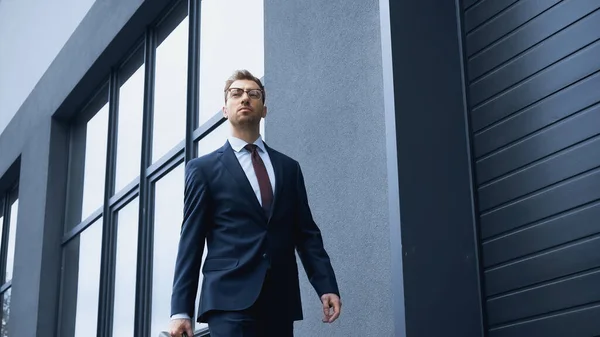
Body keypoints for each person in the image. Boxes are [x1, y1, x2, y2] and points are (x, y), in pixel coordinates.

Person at [169, 70, 341, 337]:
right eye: (236, 94)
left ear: (264, 110)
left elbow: (306, 234)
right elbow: (190, 241)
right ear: (225, 109)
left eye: (253, 94)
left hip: (279, 301)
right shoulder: (202, 170)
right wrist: (181, 310)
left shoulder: (288, 168)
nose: (245, 98)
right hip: (228, 300)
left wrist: (326, 286)